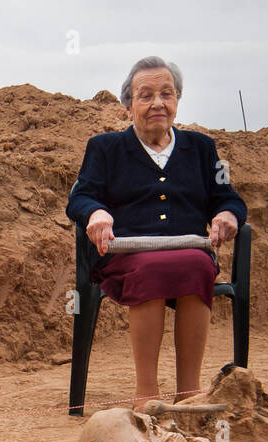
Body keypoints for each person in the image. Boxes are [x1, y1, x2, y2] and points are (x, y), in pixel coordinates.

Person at [66, 56, 247, 409]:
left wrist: (227, 215)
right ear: (128, 106)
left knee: (198, 266)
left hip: (189, 251)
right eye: (145, 95)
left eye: (167, 93)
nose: (157, 103)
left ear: (177, 100)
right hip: (126, 256)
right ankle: (146, 395)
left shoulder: (202, 148)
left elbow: (227, 197)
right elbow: (81, 197)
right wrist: (97, 212)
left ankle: (189, 393)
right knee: (151, 268)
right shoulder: (104, 149)